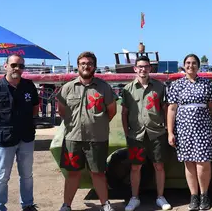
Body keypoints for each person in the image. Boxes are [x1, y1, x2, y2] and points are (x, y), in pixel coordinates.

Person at [0, 54, 39, 211]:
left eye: (20, 66)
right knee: (2, 177)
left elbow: (35, 107)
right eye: (13, 65)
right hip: (4, 138)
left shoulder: (28, 86)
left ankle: (27, 205)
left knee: (27, 175)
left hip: (26, 136)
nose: (17, 69)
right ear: (6, 66)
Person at [56, 52, 117, 211]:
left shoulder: (104, 87)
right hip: (73, 138)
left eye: (89, 63)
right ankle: (66, 205)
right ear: (78, 66)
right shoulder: (68, 88)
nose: (86, 66)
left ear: (94, 67)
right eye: (82, 63)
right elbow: (61, 111)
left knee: (98, 173)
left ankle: (105, 204)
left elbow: (112, 111)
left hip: (97, 139)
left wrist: (96, 124)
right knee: (73, 174)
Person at [167, 54, 212, 211]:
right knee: (189, 163)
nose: (191, 66)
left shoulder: (207, 84)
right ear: (184, 65)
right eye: (188, 63)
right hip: (184, 130)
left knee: (203, 164)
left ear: (198, 66)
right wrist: (170, 132)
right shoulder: (176, 85)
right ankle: (194, 196)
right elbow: (172, 109)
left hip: (203, 129)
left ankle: (204, 195)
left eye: (194, 63)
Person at [121, 56, 172, 211]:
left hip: (156, 133)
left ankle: (160, 197)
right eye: (140, 67)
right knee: (135, 167)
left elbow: (165, 109)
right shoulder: (127, 89)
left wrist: (167, 129)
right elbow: (124, 113)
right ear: (135, 69)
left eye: (146, 66)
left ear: (150, 68)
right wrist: (126, 133)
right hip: (136, 135)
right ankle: (134, 197)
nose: (143, 69)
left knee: (159, 165)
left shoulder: (159, 87)